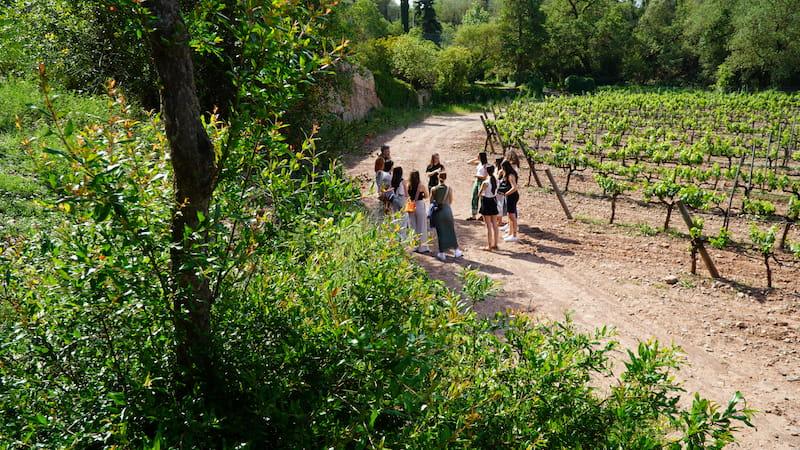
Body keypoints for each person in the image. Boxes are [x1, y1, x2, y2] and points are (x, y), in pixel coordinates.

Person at [430, 172, 463, 261]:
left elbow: (431, 201)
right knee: (450, 230)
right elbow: (451, 200)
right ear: (446, 178)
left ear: (438, 177)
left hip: (438, 212)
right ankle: (456, 250)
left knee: (440, 232)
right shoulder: (449, 188)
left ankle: (442, 253)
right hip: (447, 210)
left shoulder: (433, 189)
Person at [406, 170, 431, 253]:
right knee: (422, 226)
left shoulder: (408, 185)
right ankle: (422, 247)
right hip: (419, 205)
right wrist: (422, 195)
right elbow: (427, 196)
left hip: (411, 205)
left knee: (412, 226)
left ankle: (414, 246)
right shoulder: (421, 186)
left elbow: (407, 196)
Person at [479, 165, 501, 250]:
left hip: (486, 202)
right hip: (493, 201)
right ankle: (495, 244)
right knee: (495, 224)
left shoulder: (485, 182)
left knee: (488, 225)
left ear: (487, 171)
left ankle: (489, 245)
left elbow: (480, 194)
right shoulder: (496, 180)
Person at [501, 160, 520, 242]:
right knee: (509, 215)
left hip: (512, 196)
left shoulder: (510, 175)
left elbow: (514, 187)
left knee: (512, 216)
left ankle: (514, 235)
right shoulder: (509, 173)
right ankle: (510, 233)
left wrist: (506, 193)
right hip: (510, 196)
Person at [467, 152, 488, 221]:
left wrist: (477, 176)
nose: (477, 157)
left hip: (482, 181)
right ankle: (474, 215)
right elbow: (468, 162)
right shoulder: (479, 163)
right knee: (474, 196)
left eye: (478, 156)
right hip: (477, 181)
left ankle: (483, 215)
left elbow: (485, 176)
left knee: (482, 198)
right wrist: (476, 158)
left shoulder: (486, 166)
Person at [494, 156, 507, 227]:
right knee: (500, 205)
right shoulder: (501, 170)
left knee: (497, 204)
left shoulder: (496, 169)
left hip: (495, 189)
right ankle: (500, 221)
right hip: (500, 189)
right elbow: (499, 179)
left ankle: (497, 219)